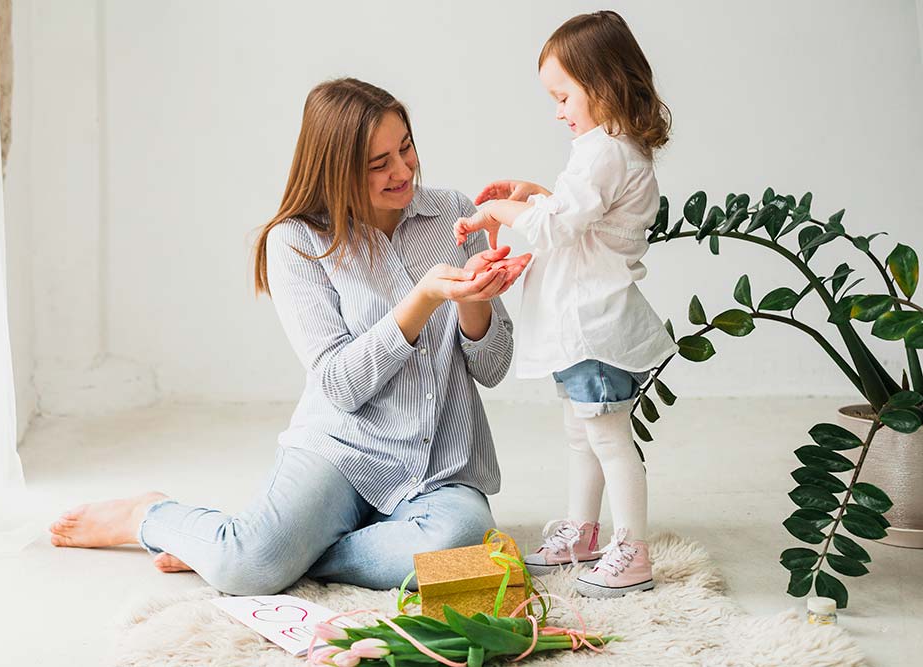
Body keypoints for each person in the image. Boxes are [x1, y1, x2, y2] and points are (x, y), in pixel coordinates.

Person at [49, 78, 532, 595]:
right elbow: (340, 386)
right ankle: (150, 516)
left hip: (444, 463)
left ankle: (269, 551)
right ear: (335, 169)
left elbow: (493, 367)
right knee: (245, 571)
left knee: (460, 554)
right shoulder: (296, 241)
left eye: (406, 147)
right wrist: (422, 300)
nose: (402, 170)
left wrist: (473, 301)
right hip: (342, 451)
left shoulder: (452, 214)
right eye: (378, 163)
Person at [454, 11, 675, 598]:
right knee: (584, 434)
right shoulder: (614, 149)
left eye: (563, 95)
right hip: (585, 326)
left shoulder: (602, 149)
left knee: (607, 438)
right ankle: (583, 531)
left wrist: (503, 212)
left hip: (593, 328)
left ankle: (632, 549)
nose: (558, 110)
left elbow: (554, 231)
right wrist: (537, 194)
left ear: (601, 84)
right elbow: (582, 219)